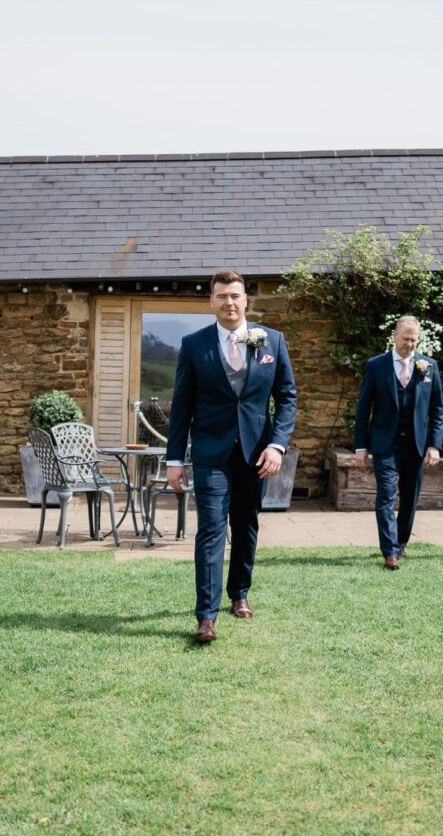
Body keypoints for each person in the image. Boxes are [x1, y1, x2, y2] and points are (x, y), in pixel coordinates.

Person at [166, 270, 297, 643]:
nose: (229, 302)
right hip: (211, 452)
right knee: (211, 529)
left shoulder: (272, 340)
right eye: (222, 296)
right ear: (211, 301)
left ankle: (239, 593)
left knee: (246, 524)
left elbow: (287, 397)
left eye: (235, 295)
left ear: (245, 300)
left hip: (256, 454)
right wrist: (174, 459)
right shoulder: (194, 345)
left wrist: (277, 445)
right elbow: (182, 407)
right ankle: (206, 617)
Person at [353, 316, 443, 569]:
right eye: (405, 339)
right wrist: (360, 446)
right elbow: (363, 409)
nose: (410, 344)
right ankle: (389, 552)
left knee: (410, 497)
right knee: (385, 495)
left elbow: (437, 409)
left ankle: (400, 544)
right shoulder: (376, 366)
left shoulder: (429, 366)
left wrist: (434, 445)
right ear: (395, 336)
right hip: (385, 442)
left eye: (414, 340)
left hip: (416, 443)